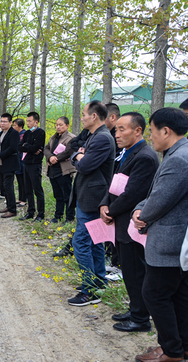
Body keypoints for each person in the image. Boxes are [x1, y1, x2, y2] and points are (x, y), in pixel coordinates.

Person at [132, 108, 188, 362]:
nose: (150, 136)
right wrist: (140, 207)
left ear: (166, 131)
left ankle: (171, 351)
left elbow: (159, 200)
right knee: (178, 295)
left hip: (169, 242)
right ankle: (184, 345)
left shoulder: (179, 160)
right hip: (178, 242)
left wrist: (141, 215)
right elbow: (157, 193)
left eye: (152, 131)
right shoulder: (182, 152)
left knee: (154, 294)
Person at [97, 112, 159, 333]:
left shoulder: (145, 156)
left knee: (135, 273)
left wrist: (110, 211)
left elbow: (133, 194)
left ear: (138, 130)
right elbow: (113, 183)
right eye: (116, 129)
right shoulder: (126, 153)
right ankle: (135, 310)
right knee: (129, 272)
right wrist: (104, 204)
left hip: (132, 227)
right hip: (119, 221)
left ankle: (141, 318)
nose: (117, 134)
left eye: (122, 129)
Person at [67, 100, 115, 306]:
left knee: (81, 242)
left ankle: (90, 289)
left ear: (94, 116)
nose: (82, 117)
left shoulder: (102, 138)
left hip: (94, 199)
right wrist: (78, 154)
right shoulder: (94, 136)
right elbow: (74, 154)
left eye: (84, 114)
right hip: (88, 196)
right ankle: (99, 280)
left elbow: (84, 165)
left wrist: (79, 156)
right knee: (96, 240)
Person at [43, 117, 76, 223]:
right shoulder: (53, 137)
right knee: (57, 195)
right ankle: (58, 215)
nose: (58, 127)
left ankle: (70, 217)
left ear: (67, 126)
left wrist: (56, 158)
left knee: (67, 195)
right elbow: (46, 148)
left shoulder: (71, 138)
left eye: (61, 125)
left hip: (64, 170)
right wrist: (50, 157)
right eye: (57, 124)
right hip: (53, 170)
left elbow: (69, 151)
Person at [18, 112, 46, 221]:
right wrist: (29, 147)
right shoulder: (27, 134)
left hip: (35, 164)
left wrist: (28, 146)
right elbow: (20, 147)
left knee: (37, 189)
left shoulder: (40, 133)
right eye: (27, 121)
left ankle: (40, 214)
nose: (28, 123)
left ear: (36, 122)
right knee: (28, 189)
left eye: (30, 121)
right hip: (26, 163)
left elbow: (36, 148)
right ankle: (30, 212)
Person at [0, 113, 20, 218]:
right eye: (1, 121)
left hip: (9, 163)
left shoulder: (13, 133)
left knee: (8, 186)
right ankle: (9, 205)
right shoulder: (1, 133)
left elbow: (13, 148)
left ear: (10, 122)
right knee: (4, 186)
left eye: (5, 121)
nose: (2, 123)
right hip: (0, 163)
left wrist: (0, 156)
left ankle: (12, 210)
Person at [12, 118, 26, 206]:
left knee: (23, 181)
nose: (13, 127)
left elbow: (19, 147)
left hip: (22, 160)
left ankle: (24, 199)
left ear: (20, 126)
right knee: (19, 180)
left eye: (15, 125)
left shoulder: (23, 135)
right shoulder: (16, 134)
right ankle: (20, 198)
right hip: (17, 160)